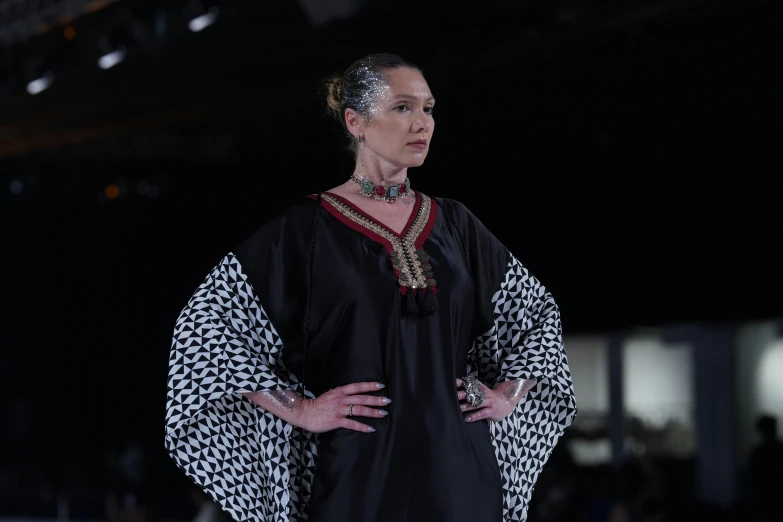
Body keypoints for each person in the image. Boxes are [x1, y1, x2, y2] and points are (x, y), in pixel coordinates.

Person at [164, 53, 577, 522]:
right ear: (356, 121)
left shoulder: (456, 224)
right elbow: (205, 327)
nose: (422, 123)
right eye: (403, 107)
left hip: (461, 469)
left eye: (429, 108)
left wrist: (508, 394)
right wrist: (299, 409)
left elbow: (538, 314)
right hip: (356, 474)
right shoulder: (307, 230)